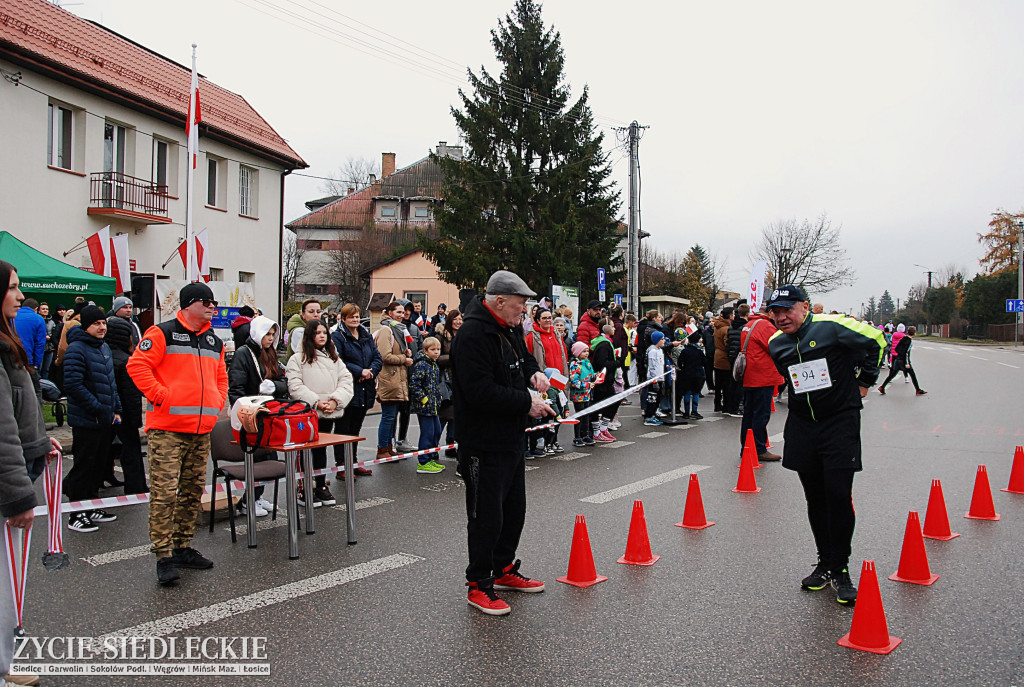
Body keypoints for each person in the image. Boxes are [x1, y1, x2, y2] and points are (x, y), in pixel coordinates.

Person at [766, 284, 886, 606]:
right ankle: (824, 563)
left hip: (839, 422)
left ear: (804, 307)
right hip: (804, 424)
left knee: (837, 493)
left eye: (787, 310)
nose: (781, 317)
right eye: (775, 312)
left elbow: (877, 340)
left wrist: (864, 382)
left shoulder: (831, 326)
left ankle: (841, 567)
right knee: (815, 497)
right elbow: (790, 376)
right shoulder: (776, 344)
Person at [452, 270, 554, 616]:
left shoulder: (508, 328)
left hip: (511, 437)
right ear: (498, 301)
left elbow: (522, 359)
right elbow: (479, 391)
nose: (524, 311)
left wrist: (533, 373)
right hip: (482, 442)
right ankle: (478, 583)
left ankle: (503, 568)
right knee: (486, 516)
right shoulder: (472, 334)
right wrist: (526, 403)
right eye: (520, 304)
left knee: (514, 511)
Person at [127, 282, 227, 586]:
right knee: (165, 494)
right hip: (168, 430)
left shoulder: (214, 340)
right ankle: (164, 555)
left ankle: (182, 546)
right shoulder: (162, 332)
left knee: (192, 492)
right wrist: (161, 396)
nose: (212, 307)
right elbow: (138, 366)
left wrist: (216, 402)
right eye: (206, 302)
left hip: (200, 430)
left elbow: (221, 377)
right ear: (188, 304)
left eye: (213, 302)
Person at [0, 261, 57, 687]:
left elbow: (20, 411)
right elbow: (1, 430)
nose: (21, 297)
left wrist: (40, 441)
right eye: (14, 288)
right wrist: (21, 496)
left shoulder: (7, 340)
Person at [62, 305, 122, 532]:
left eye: (103, 323)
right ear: (86, 326)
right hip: (87, 421)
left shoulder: (103, 347)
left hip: (105, 419)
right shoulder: (76, 349)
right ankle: (76, 513)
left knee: (98, 466)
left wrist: (115, 408)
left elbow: (110, 383)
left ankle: (91, 505)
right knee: (84, 466)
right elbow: (74, 385)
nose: (102, 327)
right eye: (96, 324)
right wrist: (98, 408)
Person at [287, 320, 354, 504]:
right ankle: (304, 488)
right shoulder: (298, 359)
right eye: (318, 332)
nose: (322, 336)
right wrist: (316, 402)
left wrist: (334, 401)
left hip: (328, 412)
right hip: (307, 413)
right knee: (305, 451)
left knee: (321, 450)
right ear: (310, 335)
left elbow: (346, 380)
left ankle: (320, 485)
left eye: (325, 332)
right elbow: (295, 386)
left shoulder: (334, 357)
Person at [228, 315, 289, 515]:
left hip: (268, 412)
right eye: (267, 334)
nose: (270, 338)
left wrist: (273, 386)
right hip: (251, 414)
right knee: (256, 459)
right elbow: (236, 387)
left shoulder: (270, 354)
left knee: (268, 457)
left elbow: (283, 382)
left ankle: (258, 496)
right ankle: (248, 500)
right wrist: (244, 412)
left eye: (273, 334)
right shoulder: (243, 354)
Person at [332, 304, 381, 474]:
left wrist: (370, 372)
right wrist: (359, 371)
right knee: (343, 430)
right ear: (343, 318)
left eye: (357, 316)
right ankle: (341, 466)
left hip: (364, 388)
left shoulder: (365, 335)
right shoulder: (338, 337)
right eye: (351, 317)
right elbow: (338, 360)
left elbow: (377, 357)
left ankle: (353, 463)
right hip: (347, 388)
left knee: (355, 429)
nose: (355, 319)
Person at [104, 315, 148, 495]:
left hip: (105, 412)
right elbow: (131, 396)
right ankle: (136, 485)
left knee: (104, 448)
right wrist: (135, 420)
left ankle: (104, 476)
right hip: (124, 415)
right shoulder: (126, 361)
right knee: (131, 450)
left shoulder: (103, 355)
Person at [739, 306, 784, 461]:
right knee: (761, 414)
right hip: (762, 375)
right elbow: (777, 347)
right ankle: (759, 448)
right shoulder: (765, 326)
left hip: (750, 375)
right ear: (770, 312)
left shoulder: (749, 324)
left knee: (749, 413)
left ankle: (746, 447)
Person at [375, 301, 413, 459]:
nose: (402, 315)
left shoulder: (397, 329)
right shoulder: (386, 330)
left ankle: (388, 447)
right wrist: (404, 358)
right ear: (390, 313)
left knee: (391, 416)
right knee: (388, 416)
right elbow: (384, 356)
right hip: (389, 379)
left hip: (397, 378)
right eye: (398, 312)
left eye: (403, 312)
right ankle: (382, 449)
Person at [408, 336, 445, 474]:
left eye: (438, 349)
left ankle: (430, 458)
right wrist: (424, 399)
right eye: (433, 349)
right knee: (427, 433)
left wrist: (438, 397)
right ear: (425, 350)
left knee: (437, 431)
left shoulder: (434, 364)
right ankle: (423, 462)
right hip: (425, 407)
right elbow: (414, 385)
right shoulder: (421, 364)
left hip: (434, 405)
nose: (436, 352)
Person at [436, 309, 461, 457]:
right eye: (455, 319)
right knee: (444, 416)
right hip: (445, 380)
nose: (458, 322)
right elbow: (436, 357)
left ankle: (451, 445)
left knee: (455, 416)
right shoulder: (440, 337)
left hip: (459, 379)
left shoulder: (464, 336)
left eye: (460, 319)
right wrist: (454, 357)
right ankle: (433, 447)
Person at [589, 321, 620, 441]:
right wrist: (617, 363)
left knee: (613, 403)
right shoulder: (603, 344)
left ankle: (603, 428)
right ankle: (597, 431)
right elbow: (602, 363)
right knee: (597, 406)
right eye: (612, 326)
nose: (614, 328)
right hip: (602, 381)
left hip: (608, 380)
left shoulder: (608, 343)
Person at [12, 297, 45, 404]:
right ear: (36, 309)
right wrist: (36, 363)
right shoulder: (38, 319)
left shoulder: (12, 316)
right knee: (36, 389)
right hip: (28, 360)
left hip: (11, 357)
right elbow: (40, 344)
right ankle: (38, 415)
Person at [878, 326, 927, 395]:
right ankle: (918, 390)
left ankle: (882, 387)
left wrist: (899, 355)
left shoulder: (904, 338)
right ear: (914, 333)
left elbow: (897, 348)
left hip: (898, 360)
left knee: (892, 375)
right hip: (904, 361)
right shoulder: (909, 341)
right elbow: (906, 353)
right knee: (912, 375)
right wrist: (907, 363)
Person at [569, 341, 597, 447]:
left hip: (587, 394)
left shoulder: (587, 363)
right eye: (583, 352)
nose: (586, 353)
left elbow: (591, 374)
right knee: (579, 415)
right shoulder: (575, 365)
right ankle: (577, 437)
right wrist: (587, 385)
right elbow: (574, 381)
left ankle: (586, 435)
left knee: (586, 416)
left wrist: (596, 376)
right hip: (578, 395)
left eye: (587, 351)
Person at [678, 329, 706, 420]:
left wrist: (683, 368)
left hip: (686, 373)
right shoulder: (699, 351)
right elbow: (704, 362)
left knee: (687, 392)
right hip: (698, 374)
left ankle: (686, 412)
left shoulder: (685, 351)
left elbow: (680, 362)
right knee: (696, 393)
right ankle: (694, 411)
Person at [643, 330, 668, 425]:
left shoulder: (660, 350)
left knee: (658, 398)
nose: (664, 341)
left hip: (660, 377)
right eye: (662, 339)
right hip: (654, 379)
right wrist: (654, 380)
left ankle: (654, 414)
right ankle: (649, 416)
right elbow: (652, 367)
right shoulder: (652, 351)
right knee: (652, 398)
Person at [40, 302, 56, 380]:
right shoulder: (37, 320)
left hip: (50, 348)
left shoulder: (52, 322)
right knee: (39, 368)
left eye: (47, 309)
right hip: (40, 347)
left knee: (46, 369)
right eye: (43, 309)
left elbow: (55, 333)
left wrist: (51, 338)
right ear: (39, 311)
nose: (45, 310)